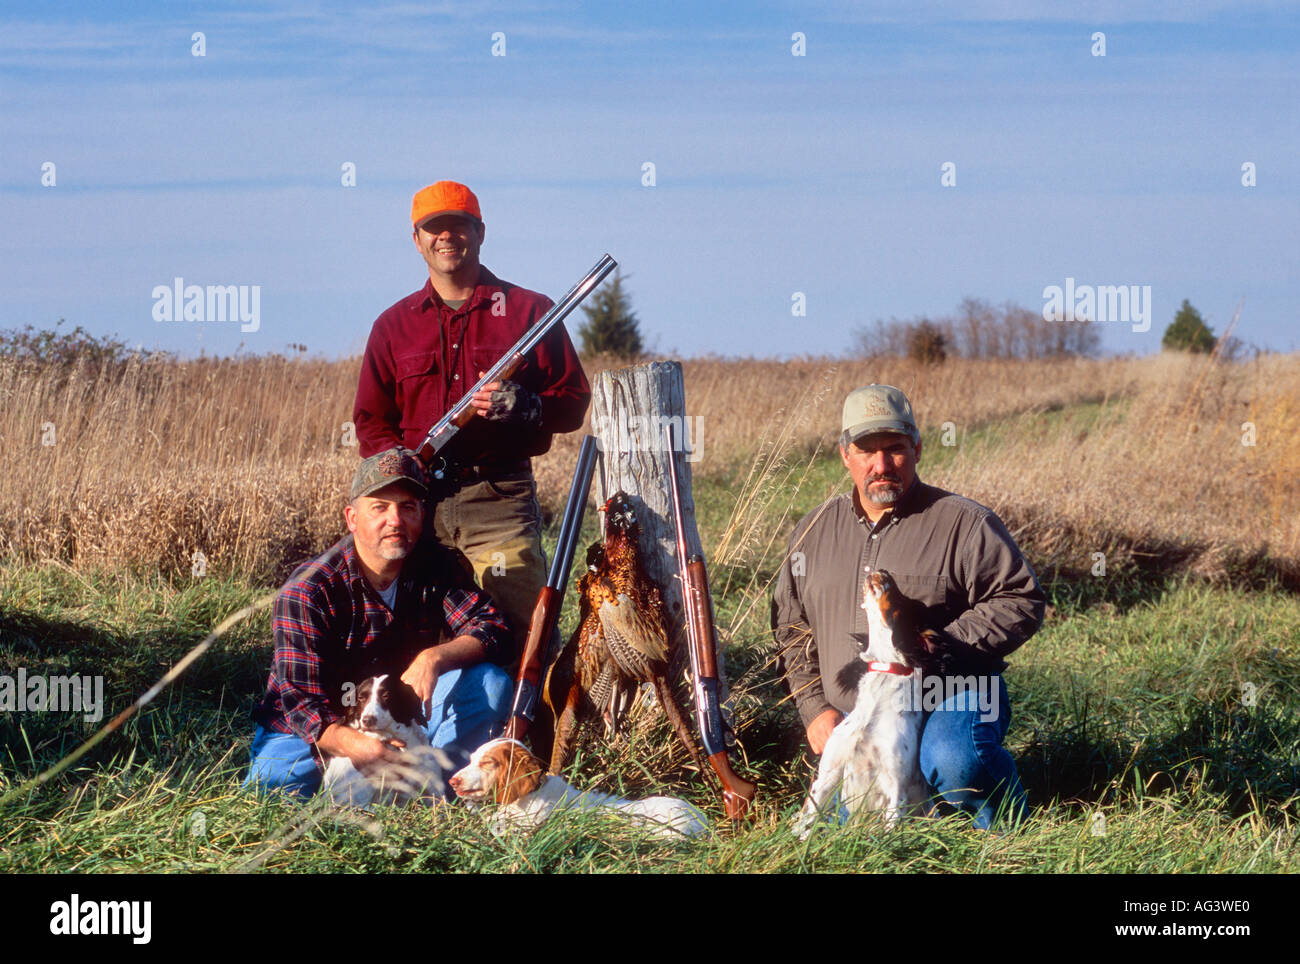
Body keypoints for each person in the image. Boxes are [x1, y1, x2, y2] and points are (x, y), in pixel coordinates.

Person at [772, 384, 1044, 828]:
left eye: (895, 449)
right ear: (845, 454)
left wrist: (944, 644)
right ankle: (925, 812)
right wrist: (815, 708)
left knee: (956, 762)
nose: (881, 466)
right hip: (857, 710)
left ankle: (1006, 830)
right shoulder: (813, 530)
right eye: (866, 451)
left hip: (949, 694)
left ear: (917, 447)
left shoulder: (963, 522)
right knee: (845, 825)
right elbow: (790, 625)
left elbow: (1021, 598)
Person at [353, 180, 590, 659]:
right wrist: (402, 468)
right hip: (420, 504)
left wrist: (526, 406)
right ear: (417, 240)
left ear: (480, 233)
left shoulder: (529, 311)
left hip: (499, 498)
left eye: (458, 226)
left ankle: (535, 731)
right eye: (433, 228)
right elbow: (370, 421)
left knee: (526, 635)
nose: (446, 237)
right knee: (417, 635)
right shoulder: (392, 325)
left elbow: (573, 401)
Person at [245, 448, 514, 798]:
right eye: (379, 508)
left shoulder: (436, 566)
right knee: (271, 795)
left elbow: (494, 627)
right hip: (320, 725)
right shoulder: (308, 589)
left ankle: (433, 789)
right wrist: (355, 745)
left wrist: (434, 658)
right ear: (352, 518)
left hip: (400, 714)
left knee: (490, 684)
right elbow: (299, 700)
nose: (395, 520)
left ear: (422, 515)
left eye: (408, 507)